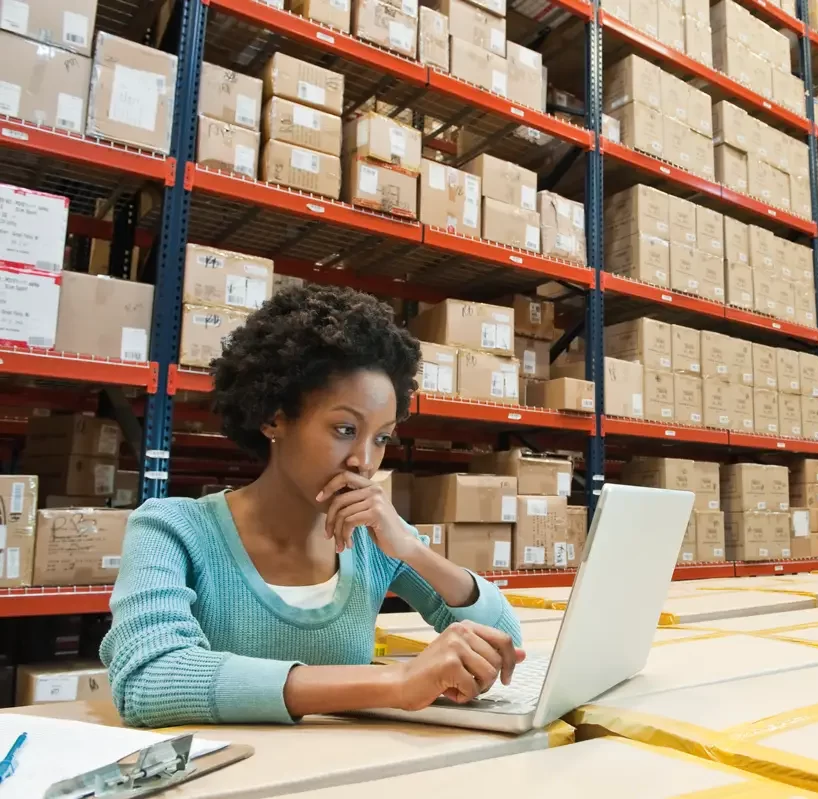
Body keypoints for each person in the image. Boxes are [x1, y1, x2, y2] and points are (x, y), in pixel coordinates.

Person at [101, 284, 523, 727]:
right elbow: (148, 680)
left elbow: (505, 647)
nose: (364, 461)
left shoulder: (371, 538)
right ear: (273, 418)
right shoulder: (172, 529)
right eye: (344, 429)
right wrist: (395, 683)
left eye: (380, 438)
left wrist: (412, 551)